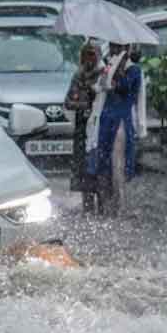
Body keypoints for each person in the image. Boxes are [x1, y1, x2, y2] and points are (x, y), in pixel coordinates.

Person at [88, 42, 144, 216]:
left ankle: (120, 205)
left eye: (118, 48)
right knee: (103, 161)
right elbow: (99, 87)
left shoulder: (133, 70)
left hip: (120, 120)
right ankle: (106, 204)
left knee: (118, 163)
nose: (114, 51)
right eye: (112, 47)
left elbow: (124, 88)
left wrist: (112, 77)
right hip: (105, 120)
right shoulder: (108, 65)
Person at [64, 39, 102, 213]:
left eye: (92, 55)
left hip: (97, 126)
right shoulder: (78, 76)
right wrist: (84, 104)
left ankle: (102, 204)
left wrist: (93, 96)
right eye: (85, 55)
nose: (88, 59)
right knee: (82, 166)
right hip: (82, 127)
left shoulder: (103, 74)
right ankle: (87, 206)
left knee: (98, 165)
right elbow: (68, 102)